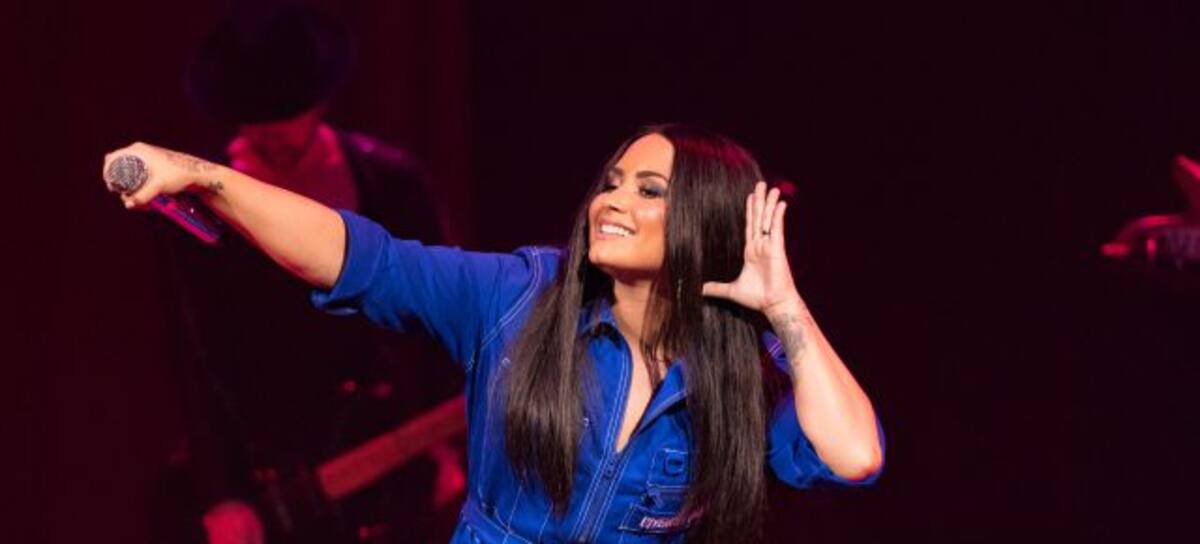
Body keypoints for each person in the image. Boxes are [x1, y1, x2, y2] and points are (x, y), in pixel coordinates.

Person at [108, 124, 884, 543]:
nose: (611, 201)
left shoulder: (741, 369)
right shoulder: (523, 296)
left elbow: (855, 457)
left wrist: (785, 309)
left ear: (704, 224)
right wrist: (209, 178)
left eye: (649, 190)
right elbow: (364, 259)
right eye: (612, 182)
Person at [150, 4, 464, 543]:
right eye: (258, 124)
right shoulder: (197, 209)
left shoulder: (393, 185)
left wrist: (450, 448)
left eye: (287, 117)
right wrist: (221, 492)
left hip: (392, 467)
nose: (274, 136)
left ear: (320, 102)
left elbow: (445, 314)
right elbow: (194, 359)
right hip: (274, 485)